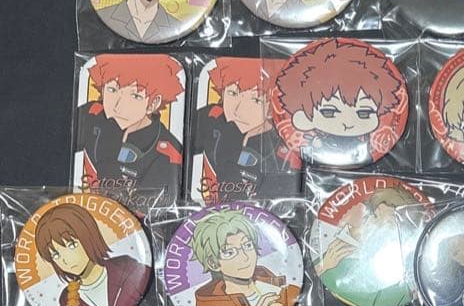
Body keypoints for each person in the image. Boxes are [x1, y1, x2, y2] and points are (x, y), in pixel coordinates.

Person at [274, 39, 407, 167]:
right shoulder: (315, 142)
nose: (347, 122)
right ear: (303, 117)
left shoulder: (365, 144)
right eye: (329, 112)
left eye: (364, 113)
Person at [74, 54, 184, 205]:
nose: (117, 106)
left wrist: (109, 165)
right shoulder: (90, 114)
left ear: (153, 103)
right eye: (112, 90)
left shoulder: (168, 154)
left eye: (134, 96)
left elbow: (144, 212)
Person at [35, 203, 151, 306]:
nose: (65, 260)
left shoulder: (127, 268)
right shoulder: (66, 301)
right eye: (55, 255)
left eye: (72, 245)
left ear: (89, 235)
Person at [192, 58, 291, 204]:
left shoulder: (285, 154)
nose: (238, 110)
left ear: (272, 107)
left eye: (256, 100)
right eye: (232, 93)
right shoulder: (210, 118)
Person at [191, 209, 301, 306]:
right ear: (213, 264)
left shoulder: (286, 291)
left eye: (248, 245)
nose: (245, 257)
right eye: (230, 252)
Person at [315, 186, 418, 306]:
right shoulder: (337, 249)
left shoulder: (397, 281)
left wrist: (324, 267)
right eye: (373, 214)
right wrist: (325, 265)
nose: (369, 222)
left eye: (377, 218)